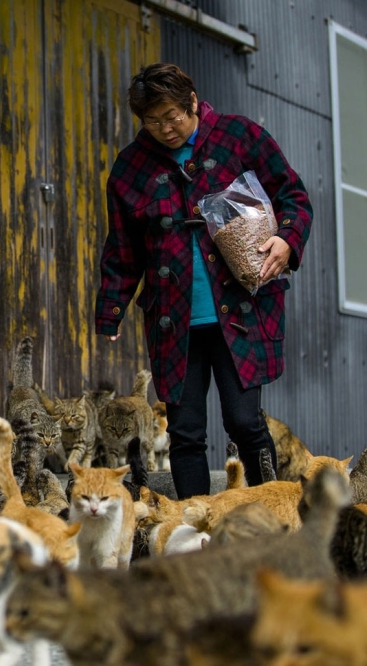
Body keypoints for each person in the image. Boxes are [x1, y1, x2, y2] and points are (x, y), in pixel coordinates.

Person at [94, 63, 313, 500]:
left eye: (172, 115)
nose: (165, 128)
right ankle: (195, 529)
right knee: (186, 431)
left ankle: (269, 513)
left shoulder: (239, 136)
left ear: (192, 101)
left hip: (242, 310)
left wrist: (287, 240)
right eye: (153, 121)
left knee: (245, 422)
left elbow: (293, 195)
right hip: (174, 321)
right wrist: (112, 308)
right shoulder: (130, 167)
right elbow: (122, 247)